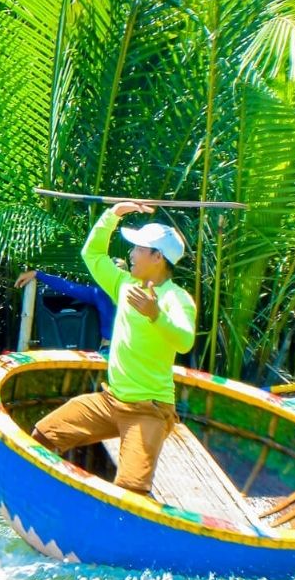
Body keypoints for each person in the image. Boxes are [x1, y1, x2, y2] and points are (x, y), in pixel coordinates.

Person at [29, 203, 196, 494]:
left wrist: (156, 315)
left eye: (138, 249)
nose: (131, 254)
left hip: (149, 410)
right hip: (110, 401)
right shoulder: (125, 284)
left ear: (157, 257)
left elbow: (184, 340)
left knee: (132, 492)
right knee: (42, 435)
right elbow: (91, 254)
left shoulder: (175, 298)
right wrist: (114, 214)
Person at [15, 260, 127, 349]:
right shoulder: (99, 294)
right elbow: (68, 287)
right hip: (110, 350)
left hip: (132, 348)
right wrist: (37, 274)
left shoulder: (139, 292)